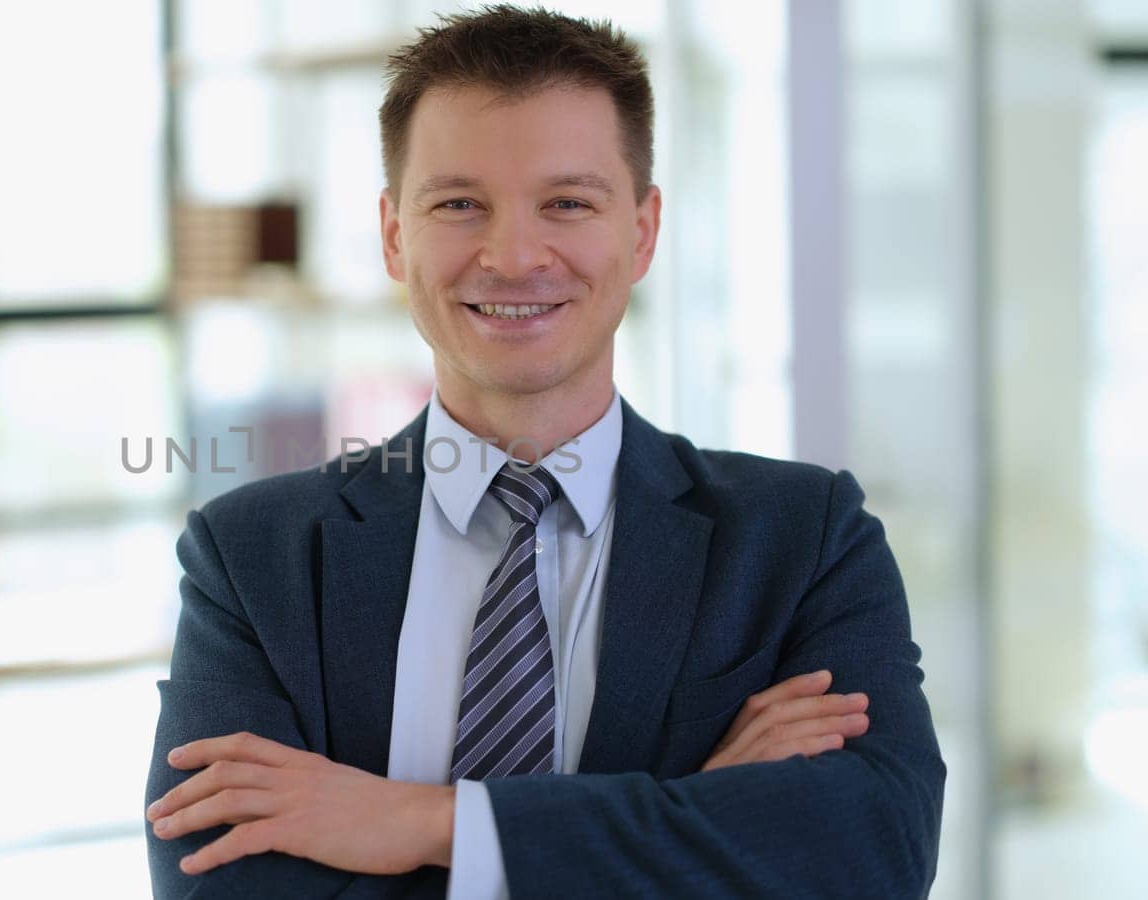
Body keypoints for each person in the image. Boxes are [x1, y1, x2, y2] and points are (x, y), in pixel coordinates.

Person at [143, 6, 945, 898]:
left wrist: (418, 822)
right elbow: (218, 885)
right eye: (458, 204)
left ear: (641, 231)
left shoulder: (803, 538)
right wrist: (690, 810)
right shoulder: (253, 558)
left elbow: (873, 857)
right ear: (393, 234)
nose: (514, 255)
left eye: (567, 203)